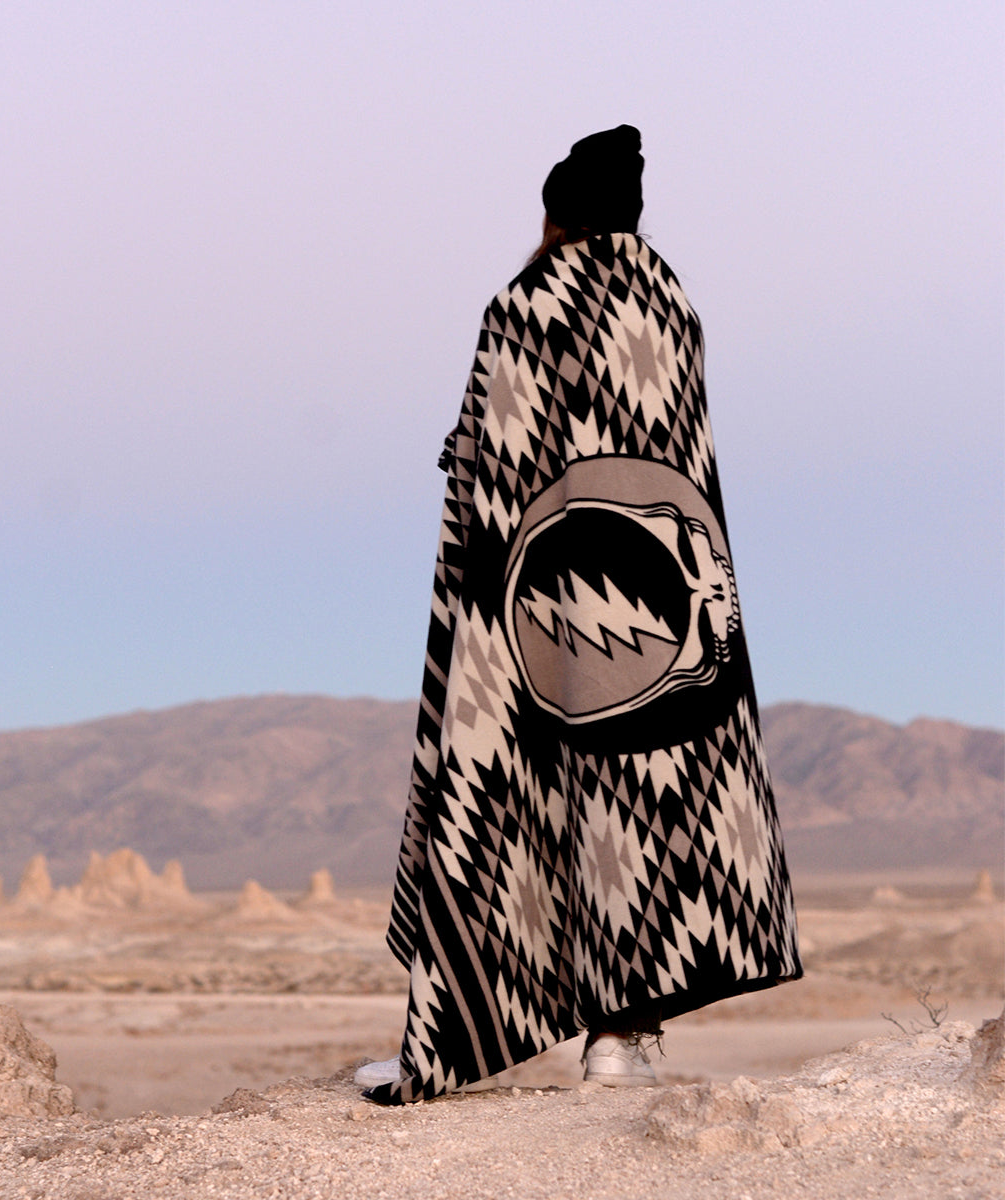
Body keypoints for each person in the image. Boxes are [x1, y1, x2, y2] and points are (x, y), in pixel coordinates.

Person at [357, 126, 802, 1105]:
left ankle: (452, 1038)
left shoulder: (526, 302)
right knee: (643, 803)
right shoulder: (672, 307)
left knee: (514, 795)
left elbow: (484, 459)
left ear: (557, 215)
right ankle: (622, 1037)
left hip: (542, 607)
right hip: (667, 615)